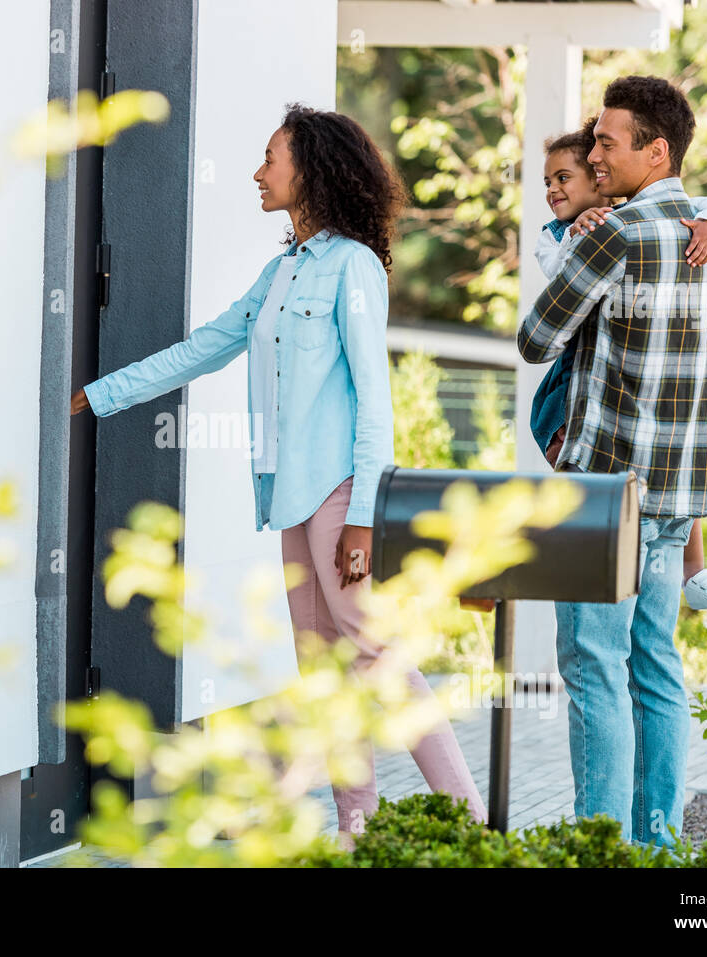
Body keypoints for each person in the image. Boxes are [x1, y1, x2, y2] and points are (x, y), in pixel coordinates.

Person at [71, 103, 486, 850]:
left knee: (378, 656)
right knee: (328, 672)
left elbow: (373, 398)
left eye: (271, 159)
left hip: (337, 497)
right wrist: (103, 394)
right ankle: (356, 832)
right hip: (290, 501)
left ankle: (473, 821)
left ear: (312, 171)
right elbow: (205, 346)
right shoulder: (283, 269)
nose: (258, 173)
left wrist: (363, 514)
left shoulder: (354, 266)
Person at [516, 76, 707, 846]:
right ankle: (659, 843)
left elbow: (535, 339)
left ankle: (600, 846)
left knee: (595, 670)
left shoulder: (612, 235)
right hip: (676, 498)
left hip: (606, 497)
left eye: (607, 142)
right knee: (657, 666)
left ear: (655, 149)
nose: (594, 154)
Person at [532, 119, 707, 617]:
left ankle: (696, 568)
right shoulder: (567, 234)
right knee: (651, 648)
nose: (552, 190)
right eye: (548, 181)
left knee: (598, 647)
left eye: (566, 177)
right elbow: (556, 280)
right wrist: (578, 239)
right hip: (572, 377)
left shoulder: (626, 224)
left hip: (622, 438)